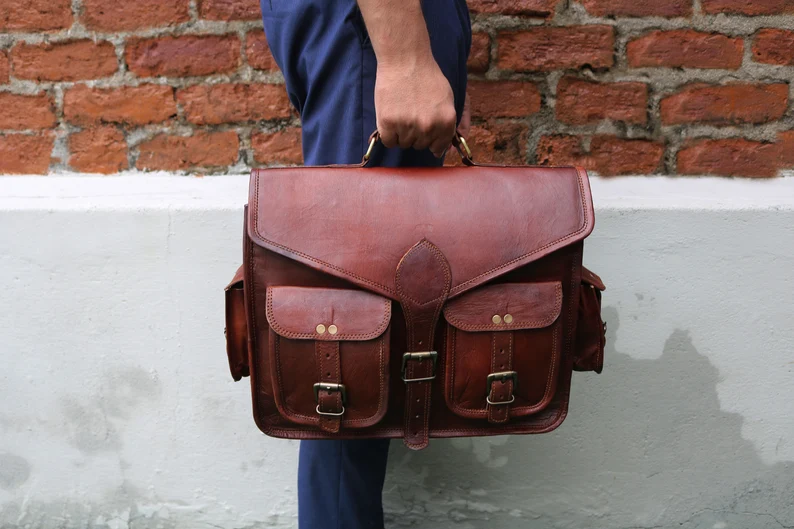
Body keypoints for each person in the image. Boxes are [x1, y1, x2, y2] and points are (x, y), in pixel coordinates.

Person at [258, 0, 472, 527]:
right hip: (373, 26)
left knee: (354, 346)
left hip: (374, 26)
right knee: (346, 356)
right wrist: (405, 57)